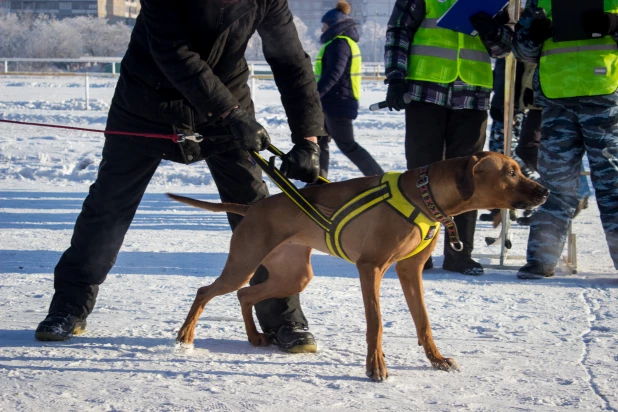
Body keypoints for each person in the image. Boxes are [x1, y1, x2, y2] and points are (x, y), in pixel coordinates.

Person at [34, 0, 326, 353]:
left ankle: (282, 315)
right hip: (146, 103)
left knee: (257, 210)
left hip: (228, 102)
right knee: (108, 206)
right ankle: (69, 305)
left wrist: (308, 139)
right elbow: (174, 52)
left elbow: (291, 61)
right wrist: (231, 114)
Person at [384, 0, 512, 275]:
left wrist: (492, 32)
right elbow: (398, 32)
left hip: (473, 94)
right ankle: (418, 251)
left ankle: (459, 254)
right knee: (420, 174)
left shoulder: (492, 1)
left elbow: (504, 48)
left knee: (471, 176)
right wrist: (396, 77)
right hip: (425, 92)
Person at [512, 0, 618, 279]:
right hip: (557, 100)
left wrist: (615, 25)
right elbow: (522, 51)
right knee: (554, 184)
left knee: (612, 184)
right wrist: (533, 35)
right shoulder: (539, 2)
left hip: (605, 100)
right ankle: (541, 260)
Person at [314, 0, 384, 180]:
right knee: (321, 142)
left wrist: (315, 95)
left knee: (347, 144)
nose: (322, 30)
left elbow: (334, 73)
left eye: (324, 25)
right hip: (333, 102)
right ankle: (319, 182)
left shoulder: (340, 44)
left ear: (333, 26)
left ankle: (378, 178)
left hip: (337, 102)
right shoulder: (343, 43)